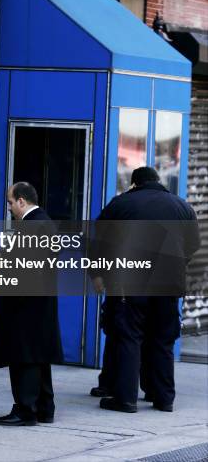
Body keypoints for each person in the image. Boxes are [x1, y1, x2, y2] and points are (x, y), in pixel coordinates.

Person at [91, 166, 200, 413]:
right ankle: (163, 399)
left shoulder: (122, 204)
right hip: (169, 284)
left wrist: (97, 273)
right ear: (158, 181)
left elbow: (99, 240)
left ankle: (126, 399)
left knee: (130, 336)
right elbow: (193, 244)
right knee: (162, 340)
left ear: (134, 184)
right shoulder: (181, 206)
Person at [0, 182, 63, 426]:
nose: (9, 208)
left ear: (21, 201)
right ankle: (43, 407)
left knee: (24, 357)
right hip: (37, 303)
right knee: (38, 356)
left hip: (25, 304)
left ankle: (25, 410)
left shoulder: (32, 226)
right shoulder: (43, 222)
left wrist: (1, 259)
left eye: (10, 202)